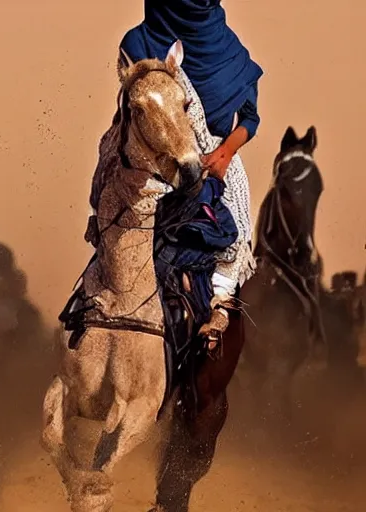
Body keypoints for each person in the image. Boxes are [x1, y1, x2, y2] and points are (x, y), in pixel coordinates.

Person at [119, 0, 262, 345]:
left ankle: (219, 307)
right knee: (121, 223)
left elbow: (250, 118)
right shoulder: (138, 45)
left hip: (217, 154)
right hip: (156, 154)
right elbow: (134, 112)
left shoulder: (229, 50)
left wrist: (226, 153)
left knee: (233, 226)